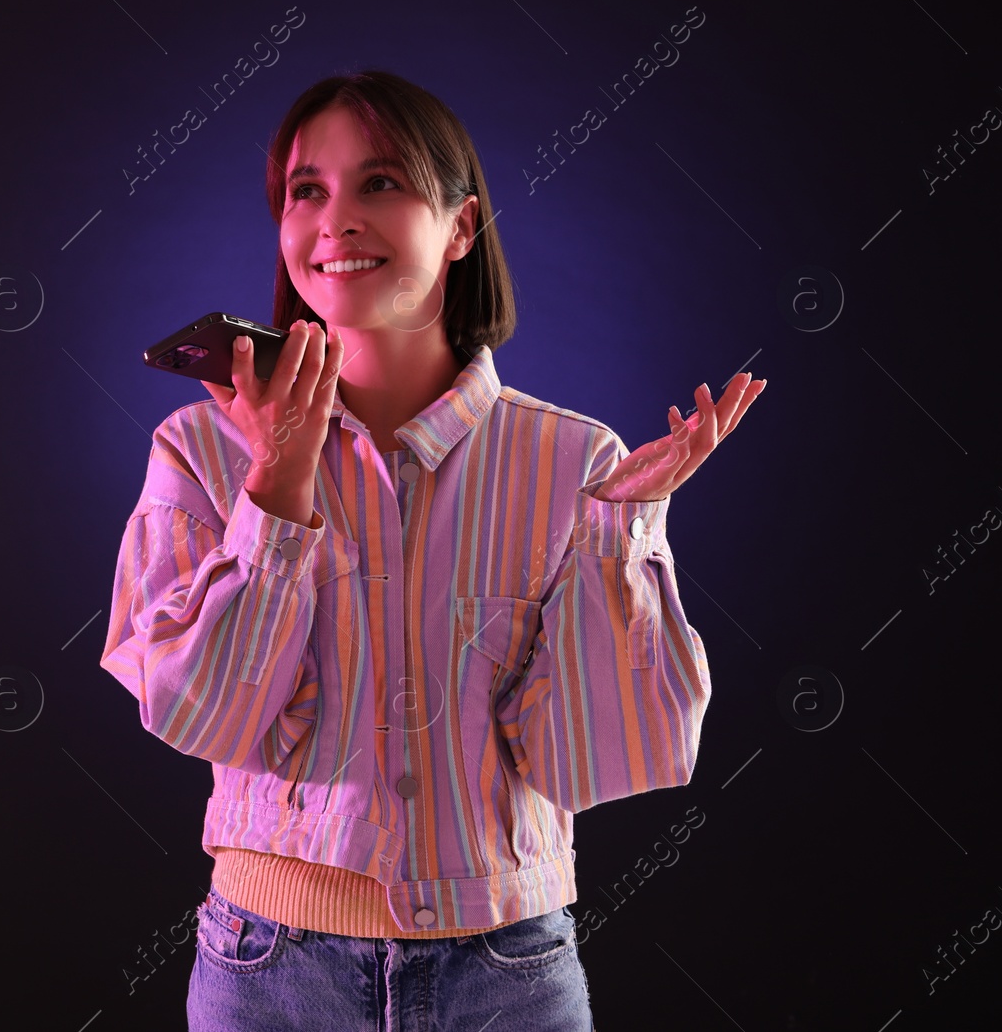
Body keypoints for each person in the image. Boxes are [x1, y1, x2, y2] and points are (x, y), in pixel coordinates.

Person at [99, 69, 765, 1032]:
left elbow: (596, 759)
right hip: (270, 972)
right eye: (306, 191)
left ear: (460, 226)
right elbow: (203, 711)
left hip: (509, 972)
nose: (336, 222)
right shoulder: (200, 451)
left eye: (381, 183)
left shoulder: (576, 460)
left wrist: (621, 530)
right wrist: (279, 487)